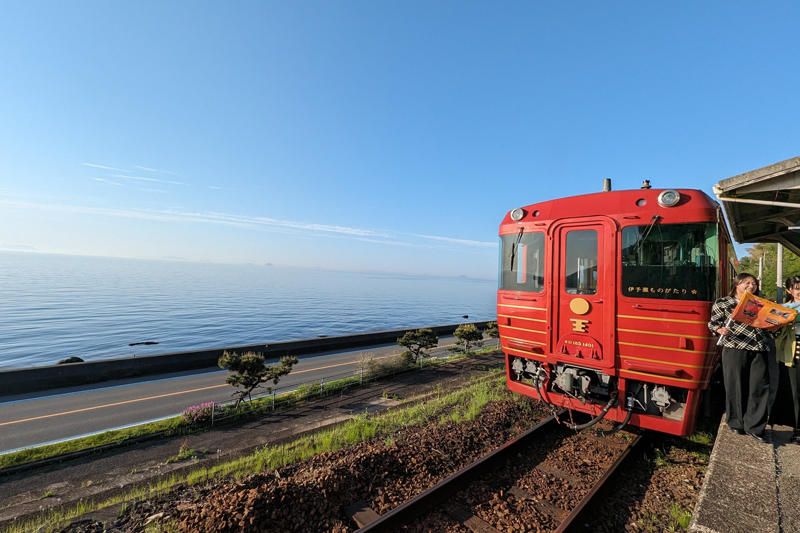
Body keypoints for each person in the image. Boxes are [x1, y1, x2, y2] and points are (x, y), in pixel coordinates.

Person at [708, 273, 772, 442]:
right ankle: (736, 422)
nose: (751, 286)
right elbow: (713, 323)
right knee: (735, 385)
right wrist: (719, 330)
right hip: (734, 347)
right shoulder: (724, 303)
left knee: (759, 385)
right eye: (746, 283)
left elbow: (770, 327)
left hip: (759, 347)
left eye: (753, 284)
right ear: (736, 284)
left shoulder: (760, 304)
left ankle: (755, 426)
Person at [770, 276, 800, 443]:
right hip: (792, 351)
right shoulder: (784, 308)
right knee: (793, 390)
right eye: (796, 288)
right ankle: (797, 428)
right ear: (789, 290)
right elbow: (774, 332)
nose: (799, 291)